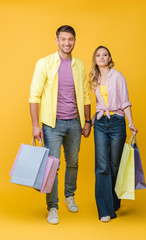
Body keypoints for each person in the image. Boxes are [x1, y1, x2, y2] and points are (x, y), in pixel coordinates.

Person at [29, 25, 91, 224]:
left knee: (73, 163)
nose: (67, 43)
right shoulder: (44, 63)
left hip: (75, 122)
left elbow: (85, 95)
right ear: (56, 40)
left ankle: (69, 195)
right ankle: (53, 207)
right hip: (51, 124)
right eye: (63, 39)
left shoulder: (79, 64)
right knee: (52, 166)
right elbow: (34, 95)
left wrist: (87, 121)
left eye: (70, 39)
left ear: (74, 40)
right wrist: (35, 125)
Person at [89, 46, 138, 223]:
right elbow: (98, 104)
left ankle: (114, 200)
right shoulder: (94, 78)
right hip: (101, 123)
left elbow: (125, 102)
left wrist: (130, 123)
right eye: (98, 55)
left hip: (117, 123)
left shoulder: (118, 77)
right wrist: (90, 121)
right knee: (102, 166)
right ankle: (105, 209)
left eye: (105, 55)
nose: (101, 58)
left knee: (115, 165)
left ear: (110, 58)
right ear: (95, 59)